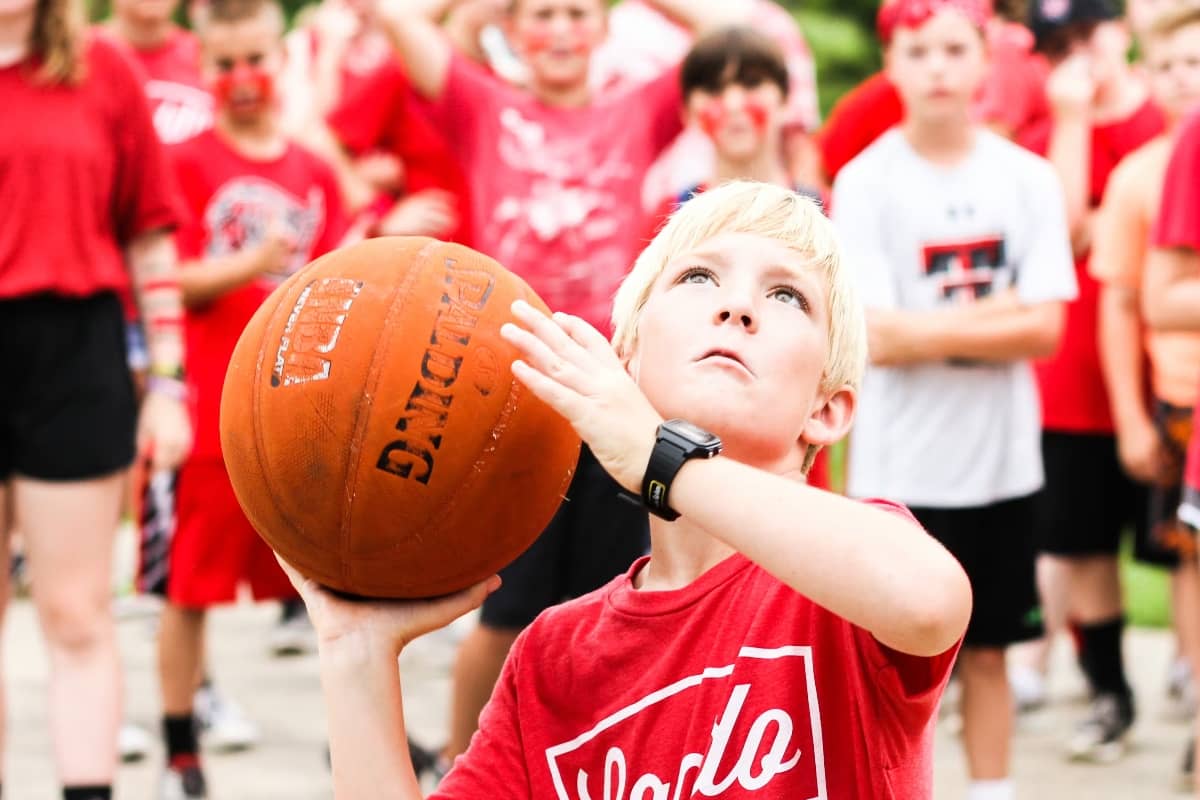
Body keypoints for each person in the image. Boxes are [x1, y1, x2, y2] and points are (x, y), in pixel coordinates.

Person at [278, 178, 971, 797]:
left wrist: (660, 458)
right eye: (698, 278)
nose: (737, 306)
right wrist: (355, 655)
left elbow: (929, 601)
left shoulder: (839, 587)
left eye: (786, 295)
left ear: (826, 409)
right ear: (625, 359)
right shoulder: (555, 658)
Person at [378, 0, 747, 775]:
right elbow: (398, 18)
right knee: (509, 608)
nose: (559, 29)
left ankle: (590, 758)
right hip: (515, 394)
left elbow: (734, 38)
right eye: (539, 13)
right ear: (511, 32)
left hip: (614, 394)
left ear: (602, 30)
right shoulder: (486, 106)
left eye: (577, 11)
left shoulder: (635, 107)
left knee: (611, 599)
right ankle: (458, 764)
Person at [831, 0, 1078, 797]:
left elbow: (1044, 329)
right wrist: (996, 317)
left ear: (983, 59)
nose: (936, 66)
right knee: (887, 662)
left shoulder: (1026, 178)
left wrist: (930, 326)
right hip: (899, 475)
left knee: (992, 650)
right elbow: (875, 338)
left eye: (952, 48)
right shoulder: (865, 180)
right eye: (916, 49)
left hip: (1000, 466)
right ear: (891, 63)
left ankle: (992, 788)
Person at [0, 0, 193, 794]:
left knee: (77, 613)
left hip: (74, 351)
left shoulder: (102, 69)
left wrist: (169, 384)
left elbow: (151, 229)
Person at [158, 0, 349, 795]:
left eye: (256, 61)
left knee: (337, 586)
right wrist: (252, 262)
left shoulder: (310, 168)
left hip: (297, 415)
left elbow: (342, 283)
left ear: (282, 63)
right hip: (208, 410)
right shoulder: (184, 162)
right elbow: (170, 276)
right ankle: (180, 748)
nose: (243, 80)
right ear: (203, 67)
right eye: (225, 63)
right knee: (186, 588)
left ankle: (355, 736)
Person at [1010, 0, 1166, 751]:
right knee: (1084, 544)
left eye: (1087, 35)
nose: (1077, 57)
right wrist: (1071, 122)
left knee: (1183, 548)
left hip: (1166, 368)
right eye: (1058, 45)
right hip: (1073, 383)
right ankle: (1110, 690)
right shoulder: (1045, 138)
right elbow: (1064, 226)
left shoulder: (1167, 121)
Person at [1092, 3, 1200, 781]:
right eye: (1170, 64)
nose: (1184, 79)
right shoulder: (1140, 176)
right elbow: (1128, 302)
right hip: (1183, 396)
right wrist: (1130, 415)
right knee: (1186, 560)